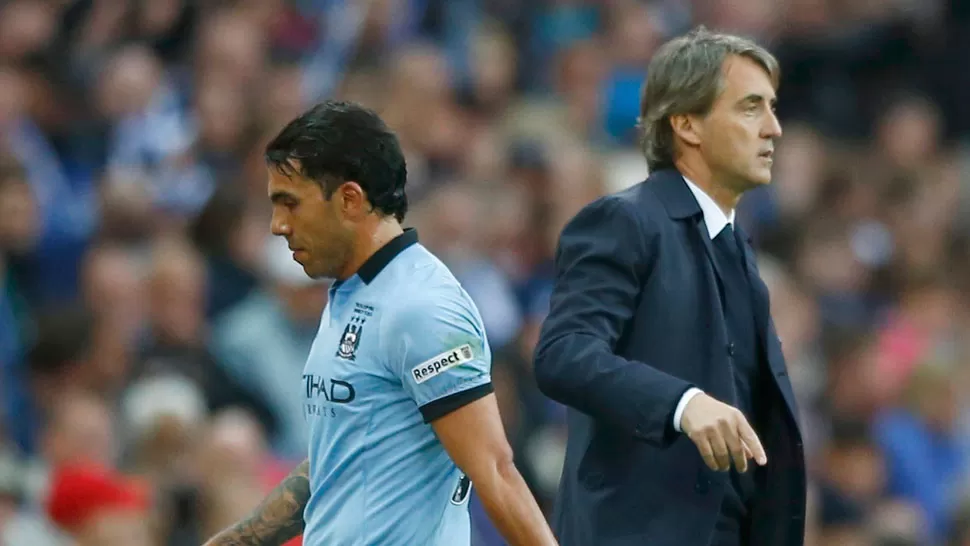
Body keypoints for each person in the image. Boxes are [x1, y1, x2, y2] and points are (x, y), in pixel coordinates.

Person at [201, 100, 556, 546]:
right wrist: (239, 541)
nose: (277, 226)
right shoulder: (351, 294)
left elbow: (496, 470)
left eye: (290, 204)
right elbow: (342, 454)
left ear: (349, 199)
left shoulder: (420, 306)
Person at [533, 27, 806, 546]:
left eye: (771, 108)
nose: (773, 128)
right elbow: (562, 353)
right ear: (687, 124)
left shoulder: (737, 248)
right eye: (750, 108)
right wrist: (682, 404)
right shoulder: (625, 221)